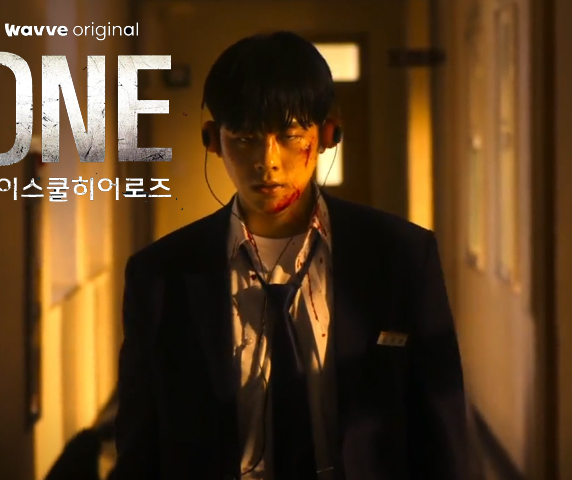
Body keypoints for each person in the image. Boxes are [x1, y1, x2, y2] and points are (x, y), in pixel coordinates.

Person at [113, 31, 469, 480]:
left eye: (289, 136)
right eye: (245, 138)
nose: (268, 161)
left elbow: (442, 435)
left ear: (328, 134)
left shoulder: (402, 256)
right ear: (213, 139)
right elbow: (140, 449)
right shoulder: (159, 276)